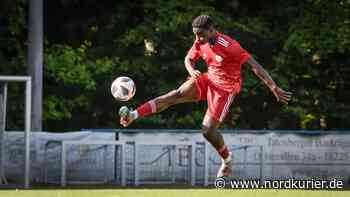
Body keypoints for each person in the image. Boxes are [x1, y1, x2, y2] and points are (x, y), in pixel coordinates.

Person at [119, 15, 292, 178]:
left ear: (211, 30)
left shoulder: (230, 46)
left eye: (201, 35)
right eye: (196, 35)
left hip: (225, 89)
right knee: (176, 94)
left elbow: (255, 66)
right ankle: (133, 115)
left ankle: (227, 160)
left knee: (207, 130)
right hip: (208, 79)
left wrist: (274, 87)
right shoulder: (199, 40)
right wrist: (191, 70)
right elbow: (188, 59)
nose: (198, 39)